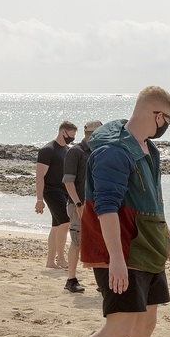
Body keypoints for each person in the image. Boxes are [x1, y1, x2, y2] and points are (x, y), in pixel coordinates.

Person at [43, 86, 170, 337]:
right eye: (167, 119)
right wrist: (116, 259)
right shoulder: (112, 151)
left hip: (149, 248)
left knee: (143, 327)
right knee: (120, 327)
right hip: (123, 252)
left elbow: (153, 201)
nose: (167, 125)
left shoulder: (149, 149)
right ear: (157, 115)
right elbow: (107, 207)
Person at [61, 120, 100, 293]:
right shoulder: (75, 152)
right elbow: (68, 181)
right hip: (78, 204)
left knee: (99, 242)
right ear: (92, 133)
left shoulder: (99, 151)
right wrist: (78, 204)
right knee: (77, 242)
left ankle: (102, 282)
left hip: (96, 205)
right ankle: (71, 279)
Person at [35, 120, 77, 269]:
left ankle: (50, 261)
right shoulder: (48, 150)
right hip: (51, 191)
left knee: (56, 226)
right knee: (65, 222)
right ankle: (61, 259)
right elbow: (39, 176)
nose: (72, 138)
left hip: (63, 191)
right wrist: (39, 199)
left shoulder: (66, 149)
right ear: (62, 132)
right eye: (71, 135)